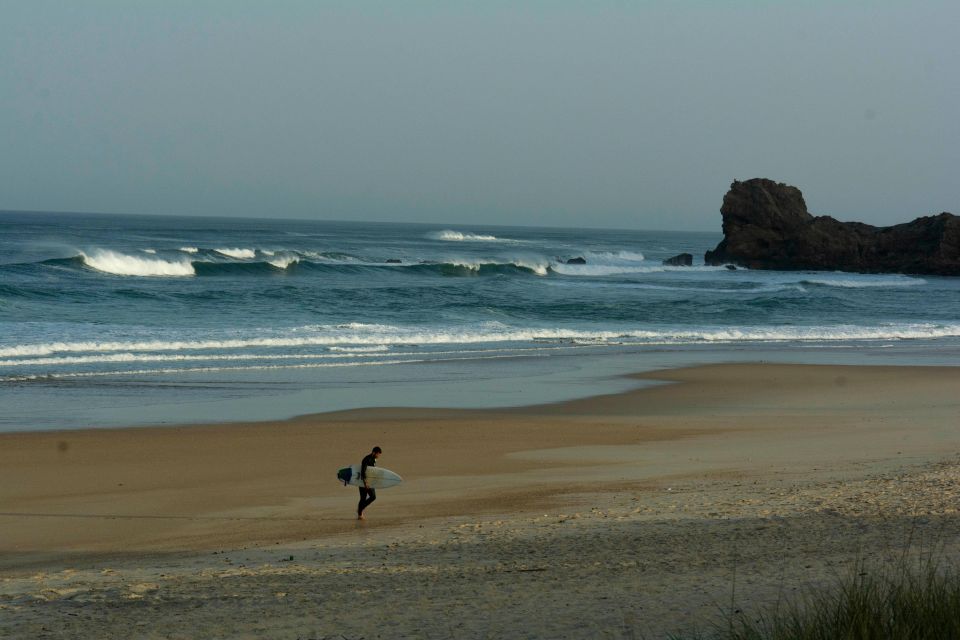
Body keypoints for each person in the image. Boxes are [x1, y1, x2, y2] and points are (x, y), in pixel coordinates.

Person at [357, 446, 382, 520]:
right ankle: (360, 513)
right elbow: (363, 471)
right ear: (374, 452)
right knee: (366, 498)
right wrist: (365, 483)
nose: (378, 456)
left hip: (370, 481)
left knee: (370, 497)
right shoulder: (366, 459)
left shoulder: (374, 459)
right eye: (378, 454)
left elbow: (372, 471)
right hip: (364, 481)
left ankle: (360, 511)